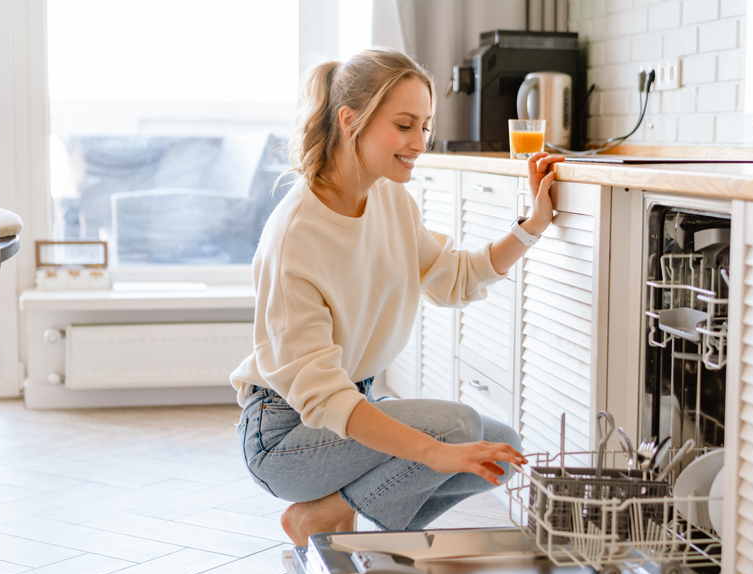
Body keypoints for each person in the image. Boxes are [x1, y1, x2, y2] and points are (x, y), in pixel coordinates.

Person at [231, 47, 564, 547]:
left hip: (352, 399)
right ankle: (316, 517)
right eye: (404, 125)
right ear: (350, 120)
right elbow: (325, 397)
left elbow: (455, 277)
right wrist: (433, 452)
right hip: (284, 435)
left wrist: (533, 225)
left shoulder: (390, 200)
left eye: (425, 126)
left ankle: (342, 514)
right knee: (454, 430)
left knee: (501, 450)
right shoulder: (295, 237)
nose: (419, 142)